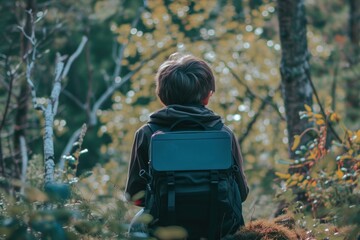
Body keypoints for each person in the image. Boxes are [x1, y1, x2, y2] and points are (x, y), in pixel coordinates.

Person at [125, 52, 249, 237]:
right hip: (220, 229)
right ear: (207, 96)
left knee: (135, 227)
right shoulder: (224, 134)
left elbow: (135, 196)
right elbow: (242, 193)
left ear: (162, 96)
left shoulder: (147, 134)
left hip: (163, 230)